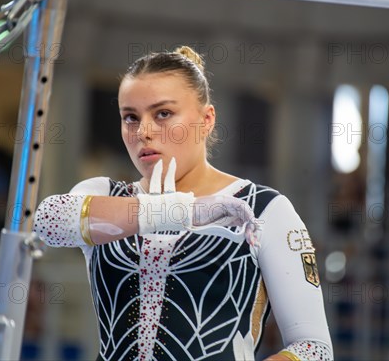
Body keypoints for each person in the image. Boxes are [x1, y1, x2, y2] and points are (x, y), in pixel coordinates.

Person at [34, 46, 333, 361]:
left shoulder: (263, 209)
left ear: (206, 120)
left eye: (163, 113)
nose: (144, 132)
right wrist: (174, 211)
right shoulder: (105, 193)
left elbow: (314, 349)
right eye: (130, 117)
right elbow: (48, 222)